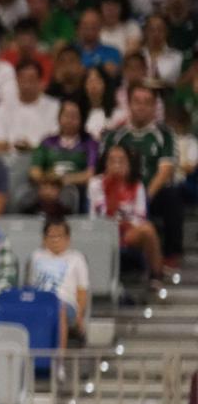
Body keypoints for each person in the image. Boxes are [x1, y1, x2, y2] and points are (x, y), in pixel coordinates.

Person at [104, 84, 183, 264]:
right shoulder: (115, 135)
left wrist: (143, 197)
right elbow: (104, 169)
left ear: (155, 107)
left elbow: (165, 171)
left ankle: (171, 255)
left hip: (151, 194)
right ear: (129, 104)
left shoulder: (165, 134)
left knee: (173, 194)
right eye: (137, 102)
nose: (141, 106)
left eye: (147, 103)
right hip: (117, 194)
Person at [89, 144, 166, 283]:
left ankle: (156, 277)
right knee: (142, 228)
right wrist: (112, 185)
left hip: (128, 232)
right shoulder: (96, 183)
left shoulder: (137, 185)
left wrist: (125, 224)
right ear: (105, 163)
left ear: (129, 163)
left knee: (148, 229)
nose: (117, 165)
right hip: (103, 232)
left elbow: (140, 216)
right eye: (112, 160)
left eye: (121, 160)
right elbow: (102, 215)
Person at [30, 100, 100, 211]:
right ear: (59, 118)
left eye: (74, 116)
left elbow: (90, 174)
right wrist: (48, 182)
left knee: (68, 195)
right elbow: (34, 171)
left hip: (75, 188)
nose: (70, 120)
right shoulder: (47, 142)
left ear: (81, 120)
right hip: (48, 186)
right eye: (66, 115)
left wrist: (64, 180)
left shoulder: (89, 143)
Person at [30, 217, 90, 345]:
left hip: (66, 303)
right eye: (51, 236)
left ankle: (58, 361)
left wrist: (79, 316)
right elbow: (31, 285)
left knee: (58, 309)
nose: (55, 240)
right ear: (44, 239)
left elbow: (82, 290)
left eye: (59, 236)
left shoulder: (77, 258)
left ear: (68, 239)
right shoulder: (36, 256)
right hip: (40, 301)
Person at [0, 61, 60, 153]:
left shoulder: (55, 107)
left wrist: (31, 148)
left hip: (43, 160)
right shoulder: (2, 108)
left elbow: (57, 143)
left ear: (40, 81)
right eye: (22, 79)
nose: (26, 85)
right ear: (16, 81)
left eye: (31, 80)